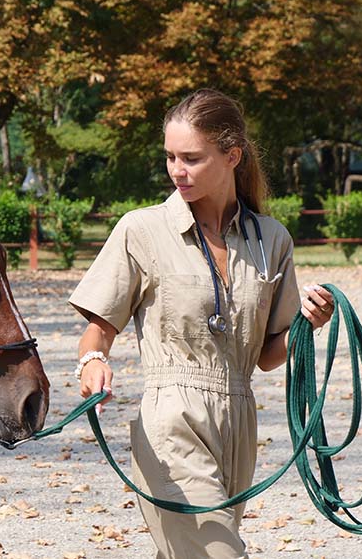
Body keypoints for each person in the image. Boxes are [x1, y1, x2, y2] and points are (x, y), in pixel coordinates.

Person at [68, 88, 335, 559]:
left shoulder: (271, 239)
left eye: (191, 158)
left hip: (239, 420)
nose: (176, 170)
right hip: (170, 419)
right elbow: (99, 327)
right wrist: (92, 361)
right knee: (218, 555)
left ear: (232, 156)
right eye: (170, 157)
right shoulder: (140, 229)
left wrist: (305, 327)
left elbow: (268, 358)